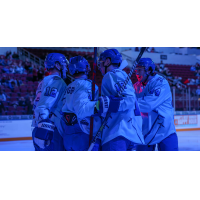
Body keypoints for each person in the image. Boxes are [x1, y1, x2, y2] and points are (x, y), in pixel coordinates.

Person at [96, 49, 144, 151]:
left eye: (101, 63)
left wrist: (108, 103)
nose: (99, 66)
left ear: (107, 62)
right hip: (128, 132)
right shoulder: (121, 75)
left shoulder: (111, 75)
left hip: (117, 132)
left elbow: (129, 100)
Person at [133, 58, 178, 151]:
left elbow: (148, 104)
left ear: (149, 70)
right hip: (145, 132)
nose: (137, 73)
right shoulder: (136, 86)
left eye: (140, 70)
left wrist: (126, 103)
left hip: (165, 130)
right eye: (136, 70)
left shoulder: (161, 83)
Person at [61, 56, 101, 151]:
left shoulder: (69, 86)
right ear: (86, 68)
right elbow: (82, 109)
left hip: (68, 132)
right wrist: (100, 105)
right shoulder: (88, 85)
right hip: (83, 131)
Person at [31, 53, 68, 151]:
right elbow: (43, 106)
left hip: (41, 127)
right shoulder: (57, 81)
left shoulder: (44, 81)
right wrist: (44, 128)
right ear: (57, 65)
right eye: (63, 65)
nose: (66, 68)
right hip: (49, 129)